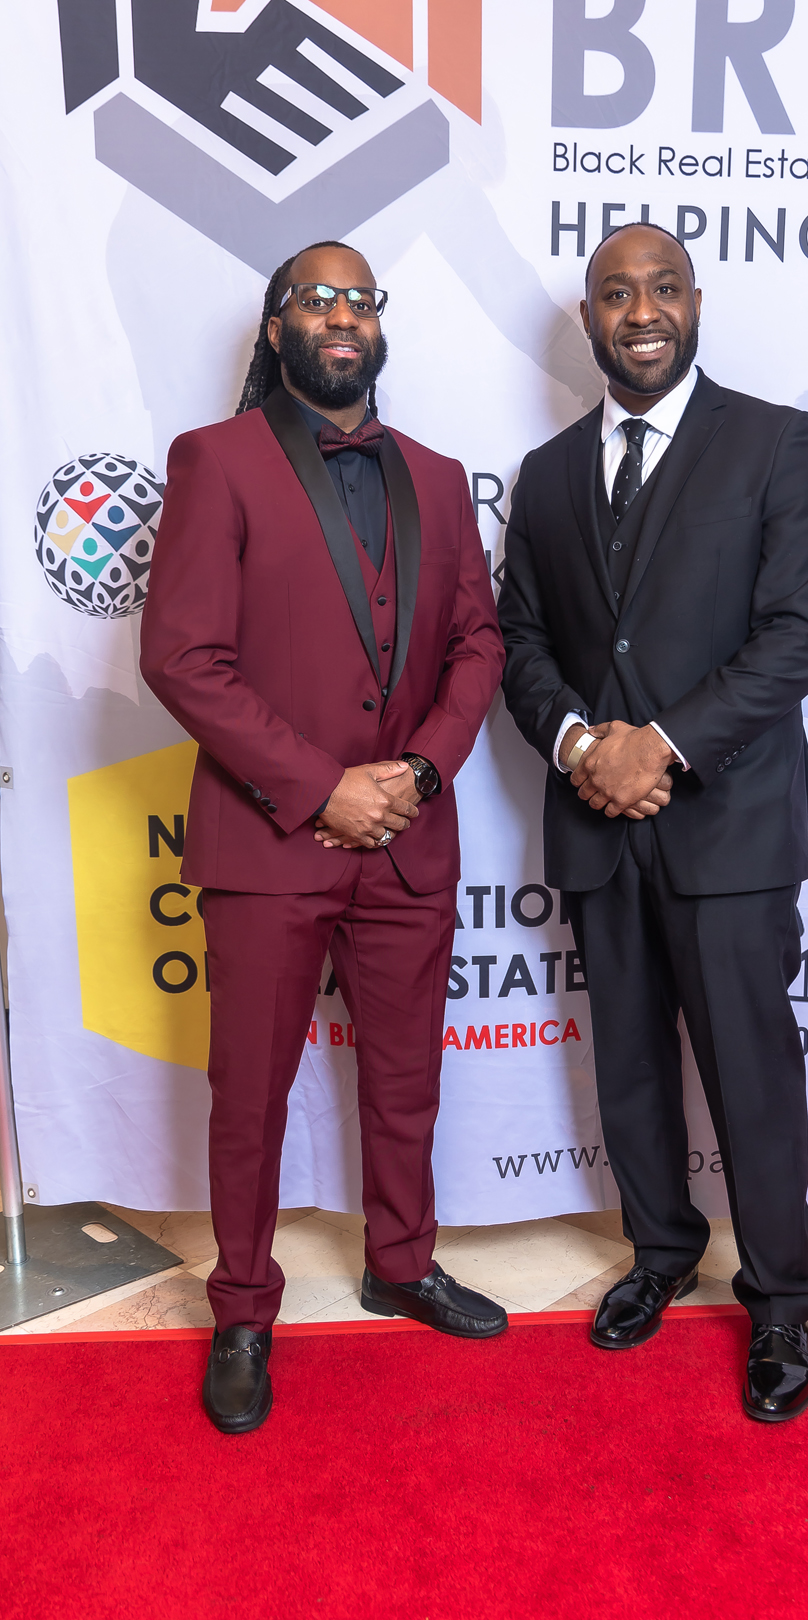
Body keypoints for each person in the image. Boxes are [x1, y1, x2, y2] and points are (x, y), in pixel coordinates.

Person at [141, 240, 507, 1434]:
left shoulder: (439, 477)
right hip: (269, 844)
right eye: (317, 297)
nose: (341, 315)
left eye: (360, 298)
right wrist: (319, 790)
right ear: (277, 325)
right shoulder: (216, 460)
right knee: (250, 1095)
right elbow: (183, 656)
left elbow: (478, 644)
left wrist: (418, 771)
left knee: (406, 1081)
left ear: (378, 324)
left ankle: (402, 1263)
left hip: (409, 836)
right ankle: (244, 1309)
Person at [498, 223, 808, 1422]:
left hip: (731, 822)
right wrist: (583, 746)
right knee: (631, 1064)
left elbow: (801, 632)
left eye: (661, 289)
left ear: (695, 302)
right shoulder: (547, 473)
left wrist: (664, 743)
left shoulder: (774, 441)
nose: (640, 312)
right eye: (615, 294)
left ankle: (782, 1300)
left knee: (751, 1073)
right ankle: (659, 1252)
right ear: (589, 319)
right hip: (600, 820)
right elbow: (523, 643)